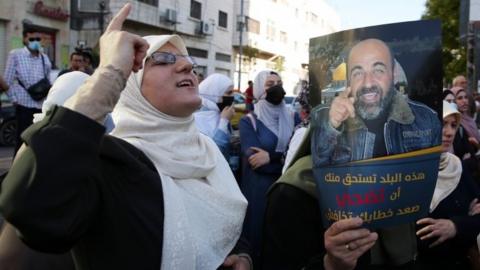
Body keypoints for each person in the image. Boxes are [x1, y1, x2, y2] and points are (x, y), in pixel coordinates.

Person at [0, 4, 250, 270]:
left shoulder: (207, 151)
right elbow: (33, 211)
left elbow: (223, 223)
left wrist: (242, 255)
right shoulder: (108, 159)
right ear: (131, 87)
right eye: (163, 59)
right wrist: (109, 74)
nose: (187, 65)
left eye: (190, 61)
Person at [261, 38, 441, 270]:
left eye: (378, 69)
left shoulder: (419, 140)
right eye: (358, 72)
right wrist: (331, 264)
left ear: (394, 75)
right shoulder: (296, 191)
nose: (368, 83)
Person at [239, 69, 299, 267]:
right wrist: (283, 160)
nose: (276, 87)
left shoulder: (293, 117)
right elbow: (255, 162)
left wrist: (271, 157)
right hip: (259, 190)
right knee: (258, 237)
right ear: (258, 90)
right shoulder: (249, 121)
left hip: (287, 188)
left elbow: (298, 153)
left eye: (279, 82)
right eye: (269, 84)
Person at [414, 101, 480, 269]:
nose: (449, 132)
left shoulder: (455, 165)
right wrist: (467, 216)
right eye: (442, 124)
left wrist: (455, 226)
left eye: (453, 125)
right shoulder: (407, 170)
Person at [3, 26, 51, 154]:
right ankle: (17, 171)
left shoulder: (44, 58)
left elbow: (48, 79)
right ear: (25, 39)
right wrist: (14, 99)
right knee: (22, 142)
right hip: (24, 105)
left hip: (41, 106)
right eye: (32, 38)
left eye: (38, 39)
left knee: (38, 142)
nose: (36, 41)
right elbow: (7, 80)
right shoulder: (16, 55)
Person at [194, 73, 235, 159]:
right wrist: (224, 122)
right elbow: (212, 153)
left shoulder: (219, 113)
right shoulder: (197, 119)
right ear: (214, 93)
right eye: (229, 93)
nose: (232, 97)